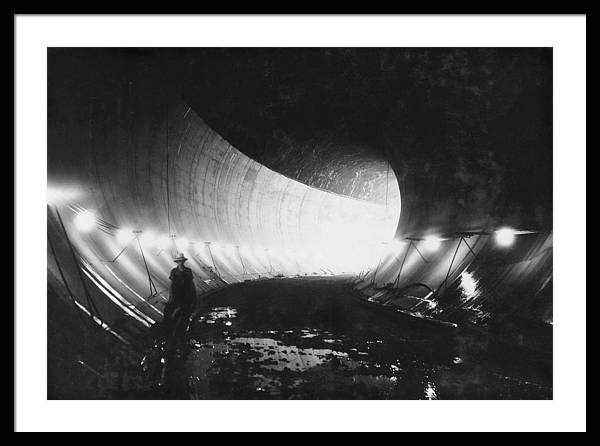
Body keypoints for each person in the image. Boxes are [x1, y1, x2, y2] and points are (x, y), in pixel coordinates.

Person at [163, 253, 197, 335]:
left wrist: (193, 294)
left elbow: (190, 283)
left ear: (183, 262)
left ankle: (184, 328)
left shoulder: (188, 271)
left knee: (186, 310)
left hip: (186, 293)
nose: (180, 263)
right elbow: (172, 284)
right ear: (177, 262)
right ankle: (169, 327)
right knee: (171, 310)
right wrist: (171, 295)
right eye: (179, 261)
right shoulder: (174, 271)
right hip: (177, 292)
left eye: (181, 261)